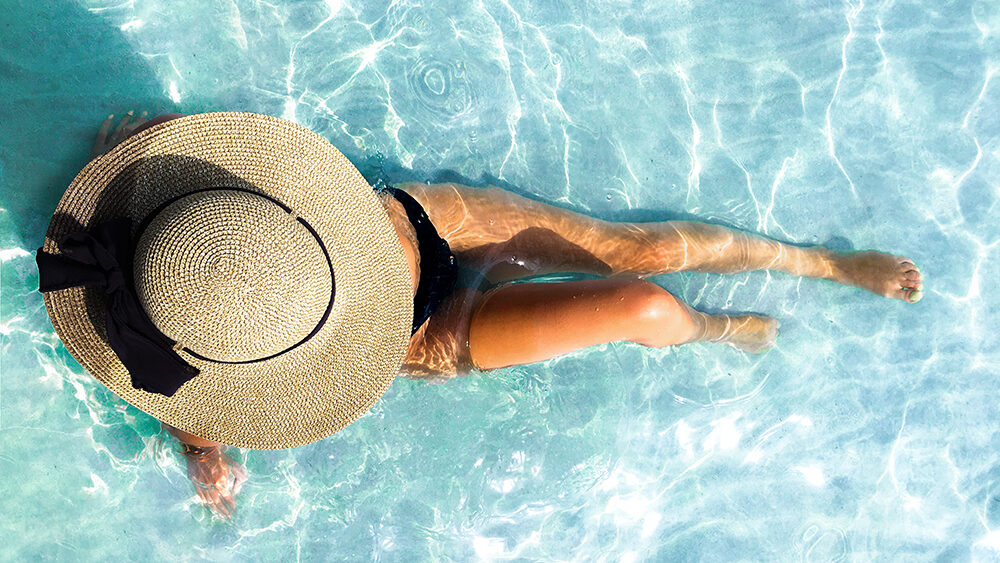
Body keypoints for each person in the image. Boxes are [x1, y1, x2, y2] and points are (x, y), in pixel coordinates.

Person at [38, 111, 923, 520]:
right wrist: (209, 459)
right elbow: (193, 400)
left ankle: (821, 263)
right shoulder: (182, 319)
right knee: (647, 304)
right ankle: (720, 331)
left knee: (641, 249)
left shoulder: (204, 236)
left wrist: (134, 150)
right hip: (416, 334)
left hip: (408, 223)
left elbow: (176, 168)